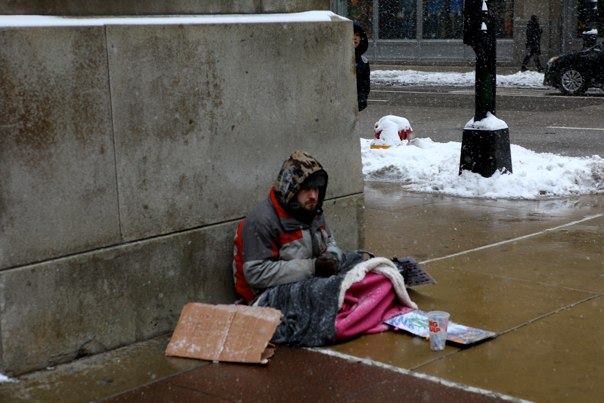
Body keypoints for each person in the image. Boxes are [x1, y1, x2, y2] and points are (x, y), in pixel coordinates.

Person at [232, 150, 343, 303]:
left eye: (316, 189)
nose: (313, 196)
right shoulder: (262, 220)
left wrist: (332, 257)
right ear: (290, 188)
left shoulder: (312, 211)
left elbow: (330, 242)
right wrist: (312, 267)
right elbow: (256, 273)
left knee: (361, 269)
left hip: (309, 283)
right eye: (306, 189)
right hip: (267, 298)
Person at [353, 22, 370, 111]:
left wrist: (362, 99)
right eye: (352, 34)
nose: (355, 38)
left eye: (357, 35)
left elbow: (365, 84)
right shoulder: (338, 58)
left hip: (353, 105)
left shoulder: (363, 62)